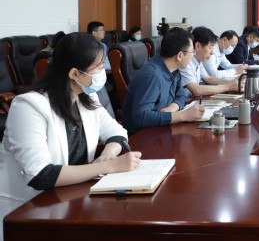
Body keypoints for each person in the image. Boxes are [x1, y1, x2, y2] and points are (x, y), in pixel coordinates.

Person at [0, 33, 141, 231]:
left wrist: (108, 154)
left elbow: (117, 133)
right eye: (99, 67)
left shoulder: (86, 99)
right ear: (75, 73)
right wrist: (108, 166)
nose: (104, 72)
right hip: (28, 210)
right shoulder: (28, 106)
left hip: (73, 200)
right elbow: (41, 175)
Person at [121, 28, 205, 134]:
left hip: (162, 128)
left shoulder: (174, 69)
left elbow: (180, 96)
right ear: (179, 55)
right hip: (143, 136)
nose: (193, 55)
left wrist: (171, 109)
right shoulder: (152, 76)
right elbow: (140, 117)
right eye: (192, 51)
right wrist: (182, 115)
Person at [179, 26, 238, 99]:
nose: (212, 53)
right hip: (186, 102)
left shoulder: (198, 60)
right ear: (198, 46)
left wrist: (231, 82)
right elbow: (196, 90)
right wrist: (228, 87)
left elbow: (208, 78)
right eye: (210, 47)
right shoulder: (186, 62)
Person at [86, 21, 115, 118]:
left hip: (104, 74)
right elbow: (93, 65)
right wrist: (102, 67)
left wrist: (103, 67)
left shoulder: (103, 46)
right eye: (101, 30)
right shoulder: (87, 47)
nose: (104, 32)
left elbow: (107, 63)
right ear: (94, 33)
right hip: (92, 77)